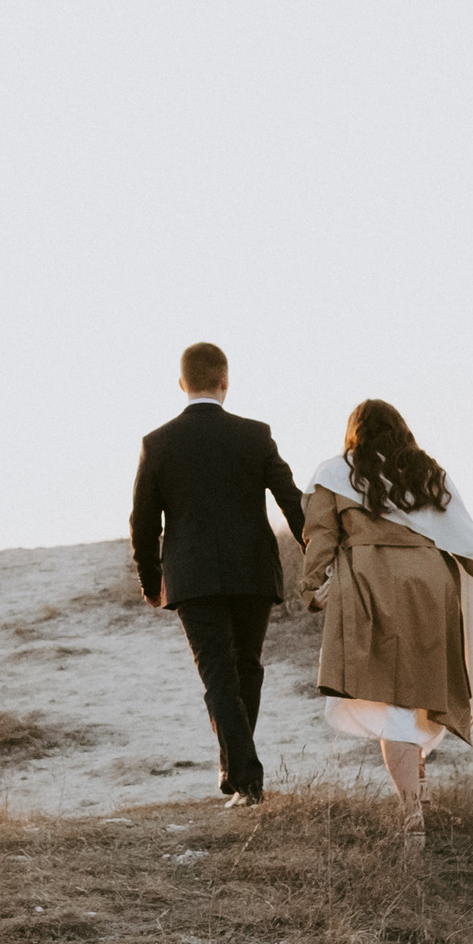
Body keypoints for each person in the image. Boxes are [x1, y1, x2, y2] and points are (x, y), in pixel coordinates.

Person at [297, 399, 473, 839]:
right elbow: (467, 542)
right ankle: (418, 795)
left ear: (354, 433)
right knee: (415, 694)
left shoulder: (334, 472)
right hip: (430, 589)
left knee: (396, 706)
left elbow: (321, 536)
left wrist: (312, 589)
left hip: (372, 585)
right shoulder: (426, 474)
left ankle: (411, 817)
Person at [129, 344, 306, 808]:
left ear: (182, 384)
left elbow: (143, 523)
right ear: (225, 381)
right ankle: (240, 774)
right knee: (247, 668)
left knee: (220, 678)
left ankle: (244, 780)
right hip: (253, 573)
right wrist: (318, 555)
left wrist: (151, 582)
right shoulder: (256, 435)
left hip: (193, 579)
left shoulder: (158, 443)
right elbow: (294, 504)